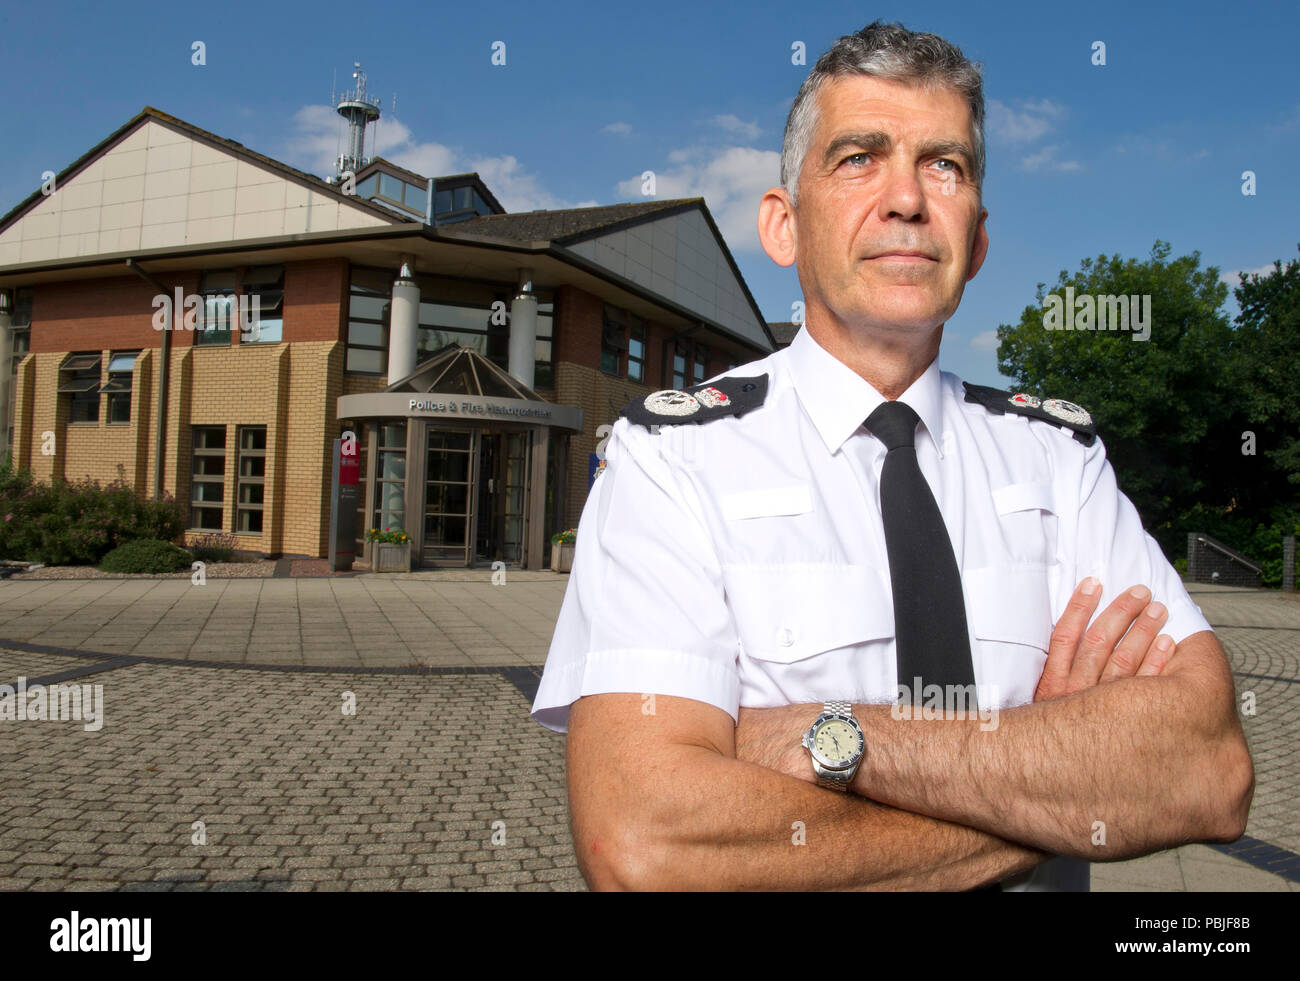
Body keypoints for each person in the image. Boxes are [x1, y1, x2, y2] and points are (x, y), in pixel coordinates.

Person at [531, 21, 1253, 891]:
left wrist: (828, 738)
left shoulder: (1060, 461)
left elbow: (1205, 768)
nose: (907, 198)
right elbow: (645, 847)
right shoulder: (672, 459)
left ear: (977, 240)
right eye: (859, 157)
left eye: (944, 164)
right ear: (784, 224)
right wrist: (1061, 788)